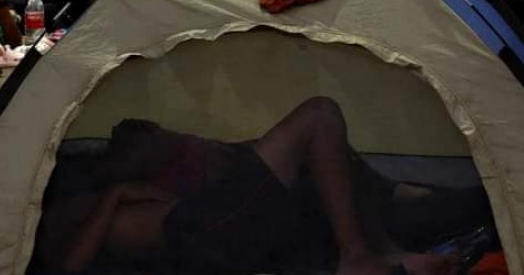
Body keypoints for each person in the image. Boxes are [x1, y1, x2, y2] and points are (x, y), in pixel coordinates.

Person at [34, 98, 462, 275]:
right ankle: (359, 254)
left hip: (204, 221)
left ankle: (386, 244)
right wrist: (115, 196)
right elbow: (70, 266)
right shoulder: (50, 217)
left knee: (317, 164)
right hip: (198, 232)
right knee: (319, 116)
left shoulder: (87, 190)